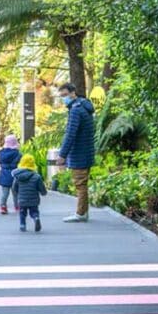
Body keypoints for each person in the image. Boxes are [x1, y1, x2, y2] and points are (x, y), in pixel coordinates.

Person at [56, 82, 95, 222]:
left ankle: (81, 213)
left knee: (80, 183)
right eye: (61, 96)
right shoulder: (85, 106)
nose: (63, 99)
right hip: (87, 150)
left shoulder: (76, 110)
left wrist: (62, 155)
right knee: (82, 183)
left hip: (79, 152)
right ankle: (83, 212)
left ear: (73, 93)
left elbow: (70, 134)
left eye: (65, 95)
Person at [12, 154, 46, 232]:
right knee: (34, 212)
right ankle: (36, 218)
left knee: (22, 213)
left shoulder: (17, 176)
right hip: (34, 200)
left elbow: (14, 187)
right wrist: (43, 193)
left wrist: (17, 194)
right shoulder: (37, 176)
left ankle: (22, 225)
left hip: (22, 199)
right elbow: (41, 188)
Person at [0, 134, 22, 215]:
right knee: (16, 193)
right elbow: (20, 163)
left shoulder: (2, 153)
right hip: (14, 175)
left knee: (5, 193)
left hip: (4, 175)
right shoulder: (17, 153)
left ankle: (3, 207)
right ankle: (17, 207)